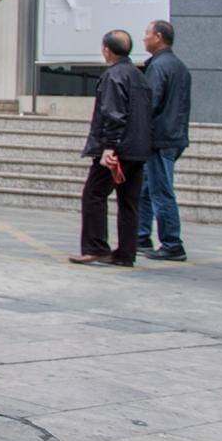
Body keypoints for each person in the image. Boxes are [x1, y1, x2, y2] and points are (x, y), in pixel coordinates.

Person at [70, 29, 151, 267]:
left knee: (93, 194)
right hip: (138, 149)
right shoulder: (139, 76)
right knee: (129, 201)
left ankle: (96, 247)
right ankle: (126, 253)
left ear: (106, 49)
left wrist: (109, 147)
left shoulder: (113, 76)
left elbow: (113, 113)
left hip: (118, 150)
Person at [136, 20, 189, 261]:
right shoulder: (179, 66)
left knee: (160, 191)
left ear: (158, 37)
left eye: (147, 34)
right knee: (147, 188)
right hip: (173, 137)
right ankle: (141, 236)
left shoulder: (158, 67)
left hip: (160, 139)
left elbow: (151, 103)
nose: (144, 38)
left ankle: (172, 243)